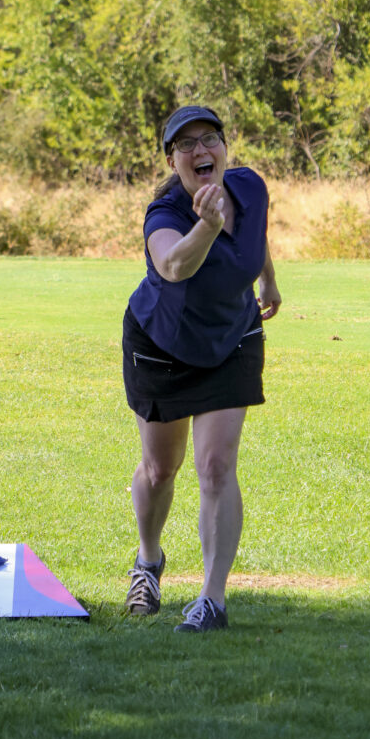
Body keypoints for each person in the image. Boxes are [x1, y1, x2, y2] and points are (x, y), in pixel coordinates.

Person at [122, 105, 282, 632]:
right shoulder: (165, 212)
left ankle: (211, 601)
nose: (200, 150)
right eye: (185, 144)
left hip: (232, 339)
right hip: (162, 345)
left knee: (215, 467)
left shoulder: (249, 187)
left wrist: (268, 280)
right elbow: (172, 265)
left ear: (223, 147)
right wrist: (208, 227)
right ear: (173, 160)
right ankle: (149, 561)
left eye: (208, 138)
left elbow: (255, 236)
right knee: (159, 470)